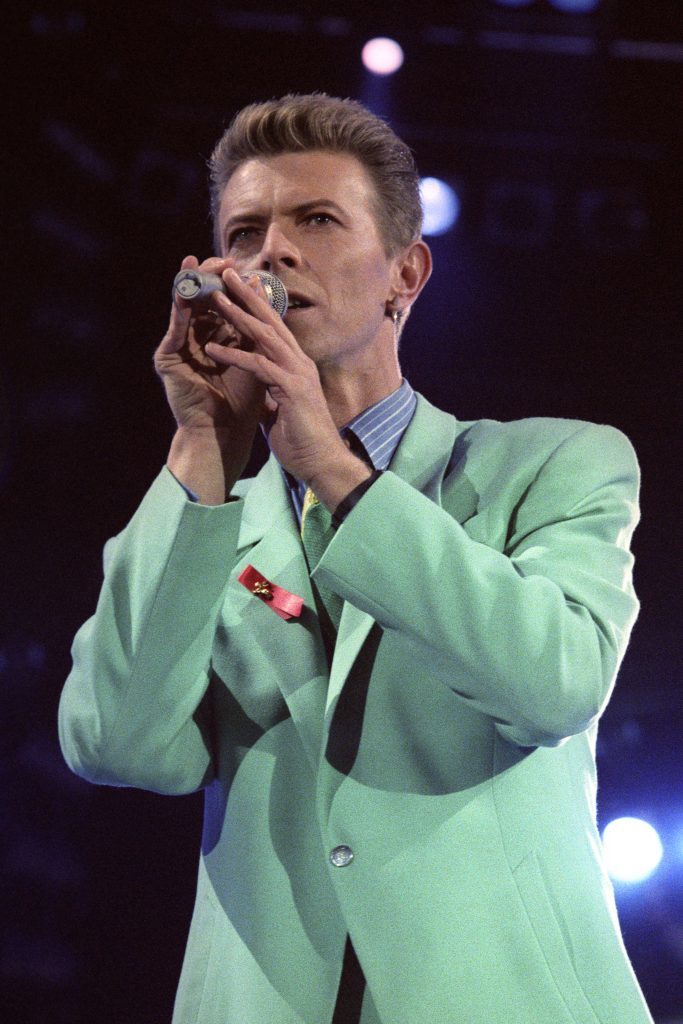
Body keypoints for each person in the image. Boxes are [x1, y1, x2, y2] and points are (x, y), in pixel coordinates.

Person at [59, 94, 653, 1024]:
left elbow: (554, 684)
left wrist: (334, 473)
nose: (272, 253)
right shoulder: (206, 517)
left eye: (316, 221)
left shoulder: (551, 464)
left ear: (403, 276)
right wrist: (201, 451)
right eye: (244, 231)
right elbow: (119, 747)